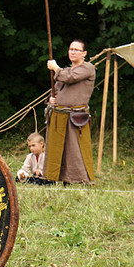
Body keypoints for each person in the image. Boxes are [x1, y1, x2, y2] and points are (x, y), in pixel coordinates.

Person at [43, 39, 95, 184]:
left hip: (76, 116)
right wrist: (52, 99)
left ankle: (78, 179)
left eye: (76, 50)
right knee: (57, 148)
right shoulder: (65, 70)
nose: (72, 52)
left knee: (75, 150)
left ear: (84, 53)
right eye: (71, 49)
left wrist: (55, 68)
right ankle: (55, 177)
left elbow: (70, 78)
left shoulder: (88, 68)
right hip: (59, 116)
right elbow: (57, 90)